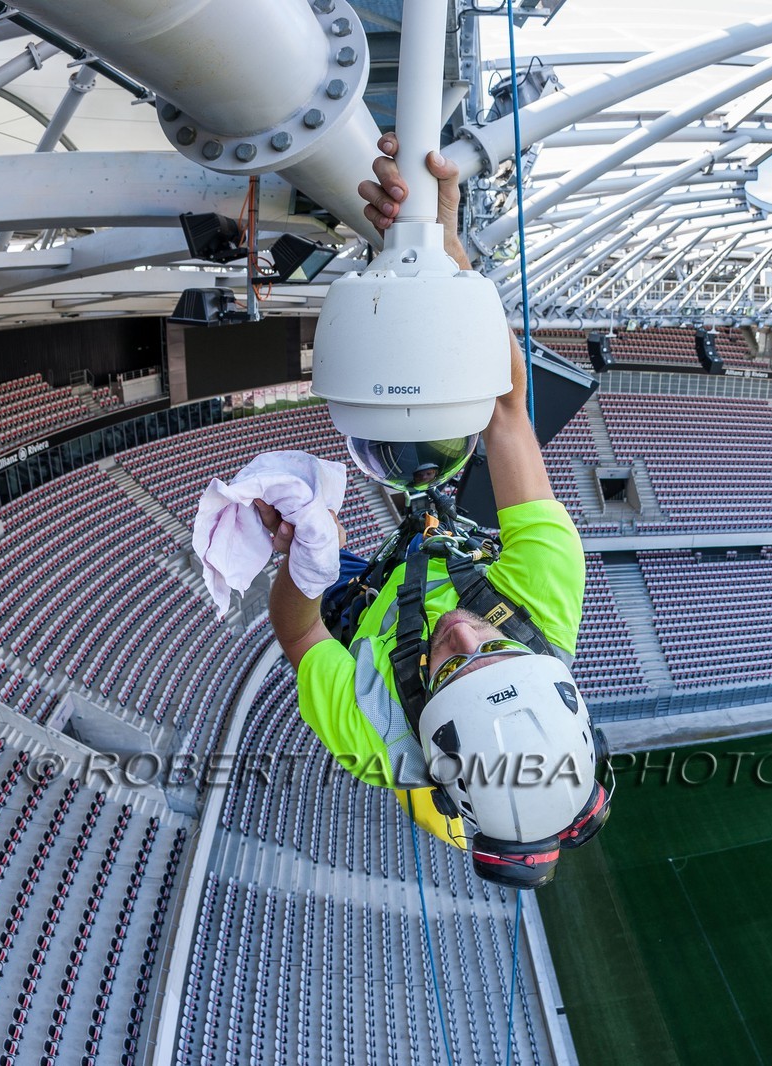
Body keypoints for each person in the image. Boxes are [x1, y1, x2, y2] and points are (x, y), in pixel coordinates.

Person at [253, 135, 607, 887]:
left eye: (451, 671)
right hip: (443, 555)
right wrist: (445, 258)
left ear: (426, 729)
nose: (462, 631)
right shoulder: (546, 596)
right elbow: (508, 411)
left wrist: (306, 560)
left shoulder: (377, 741)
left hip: (354, 593)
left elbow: (299, 627)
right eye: (496, 648)